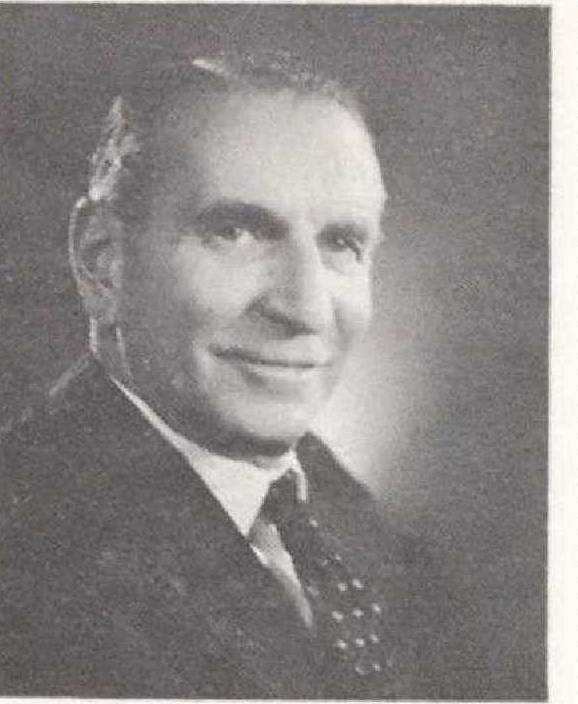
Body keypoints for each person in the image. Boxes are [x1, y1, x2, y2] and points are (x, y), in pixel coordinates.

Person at [0, 53, 444, 698]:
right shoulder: (26, 552)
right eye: (236, 231)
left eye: (342, 243)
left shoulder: (349, 523)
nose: (306, 309)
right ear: (102, 261)